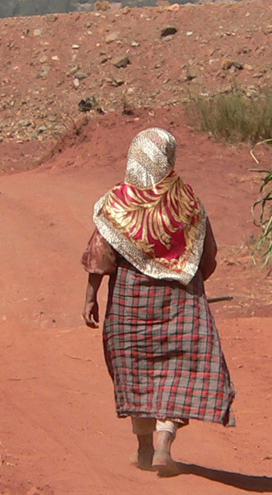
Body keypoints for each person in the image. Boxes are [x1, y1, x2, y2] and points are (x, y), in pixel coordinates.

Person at [81, 127, 235, 476]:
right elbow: (207, 257)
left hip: (128, 303)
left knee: (136, 370)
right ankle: (165, 443)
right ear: (169, 158)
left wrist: (90, 298)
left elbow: (99, 256)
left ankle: (144, 446)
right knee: (178, 369)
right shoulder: (189, 201)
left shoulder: (116, 203)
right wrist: (189, 281)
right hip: (182, 299)